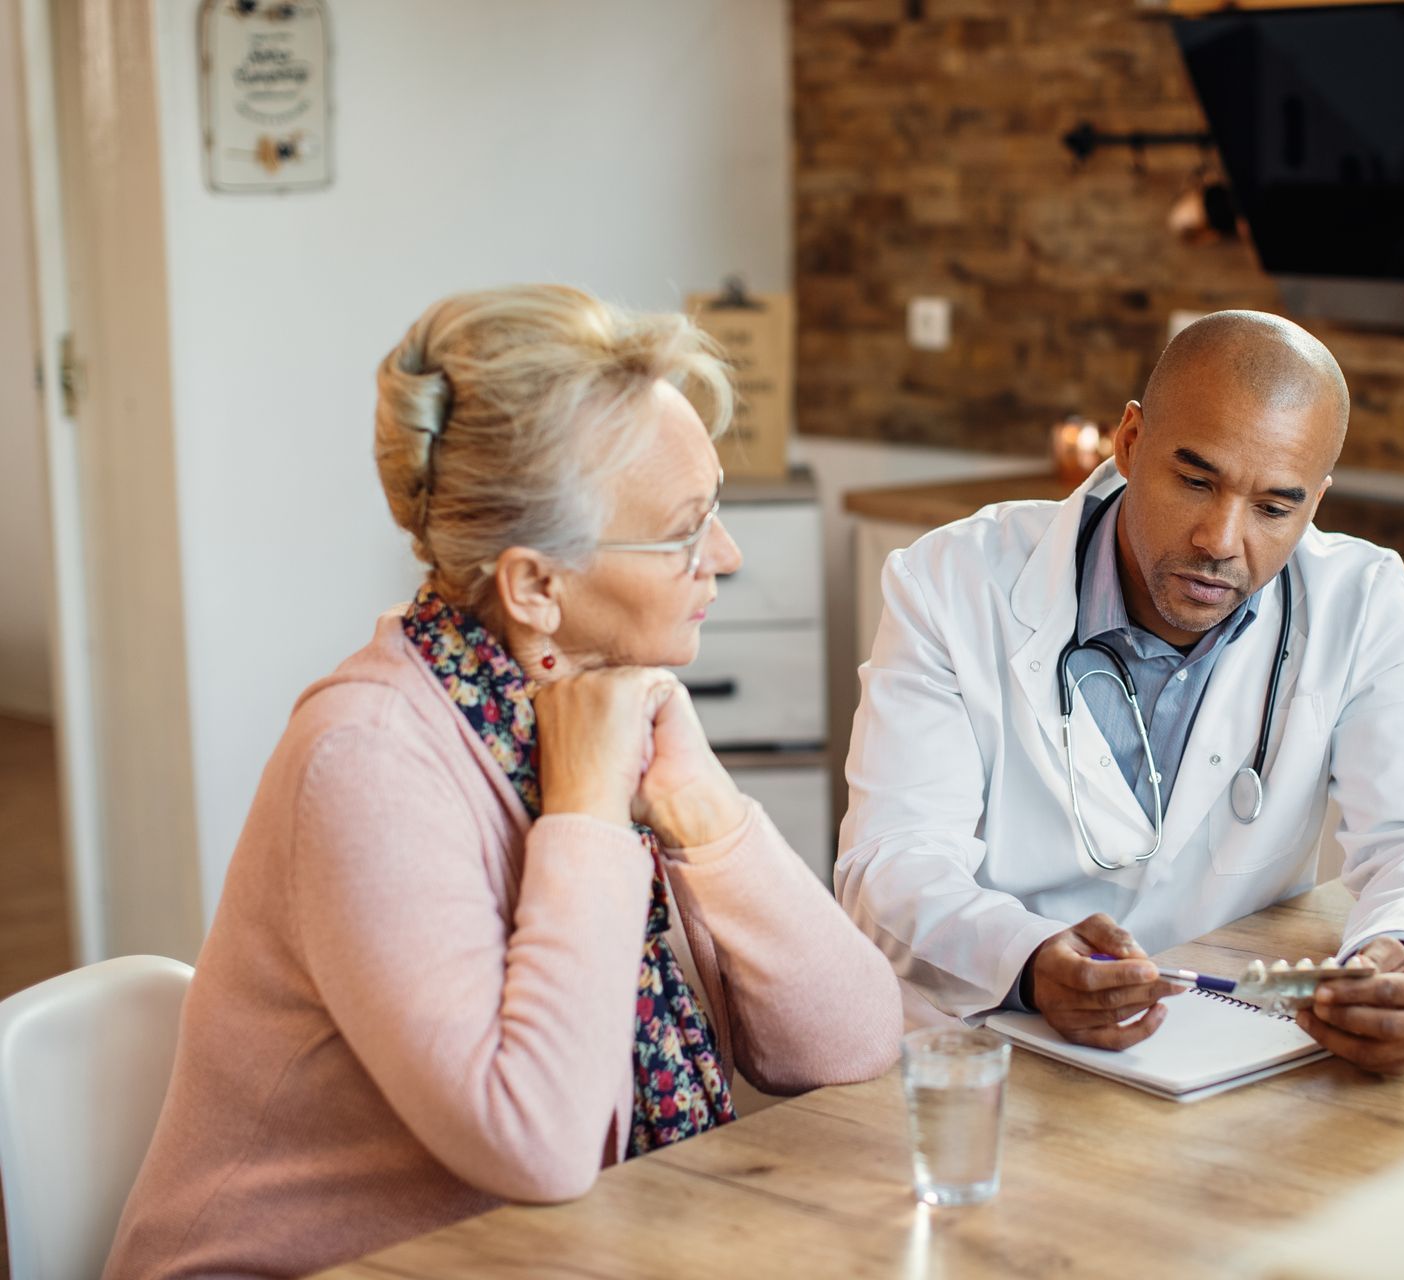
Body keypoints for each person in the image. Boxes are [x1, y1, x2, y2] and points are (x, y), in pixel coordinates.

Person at [106, 285, 902, 1280]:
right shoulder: (365, 760)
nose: (726, 558)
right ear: (534, 586)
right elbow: (536, 1138)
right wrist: (585, 813)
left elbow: (856, 1038)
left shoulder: (594, 698)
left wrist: (707, 813)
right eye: (686, 530)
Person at [836, 310, 1404, 1072]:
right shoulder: (952, 583)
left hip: (1226, 1053)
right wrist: (1028, 958)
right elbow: (891, 866)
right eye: (1194, 480)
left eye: (1274, 508)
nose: (1220, 539)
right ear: (1130, 442)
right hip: (990, 1047)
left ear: (1317, 500)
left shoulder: (1364, 603)